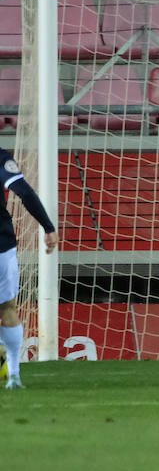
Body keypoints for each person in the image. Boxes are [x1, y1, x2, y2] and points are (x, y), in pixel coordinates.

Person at [0, 147, 58, 389]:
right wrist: (48, 226)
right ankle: (13, 375)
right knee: (7, 307)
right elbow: (23, 191)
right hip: (1, 243)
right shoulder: (1, 158)